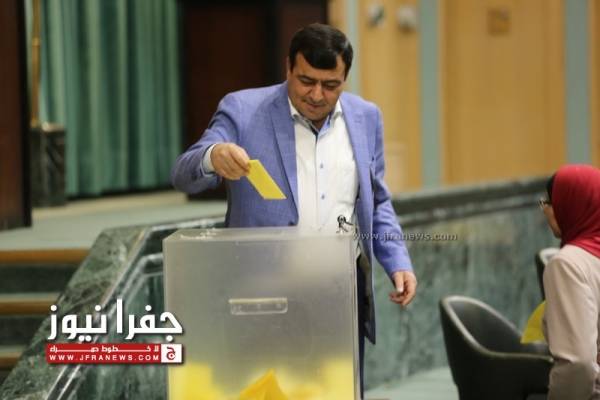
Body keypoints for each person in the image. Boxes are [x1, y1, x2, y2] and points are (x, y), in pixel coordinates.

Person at [171, 23, 417, 396]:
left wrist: (397, 260)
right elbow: (183, 174)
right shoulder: (243, 109)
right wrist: (212, 156)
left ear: (345, 78)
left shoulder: (366, 117)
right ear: (288, 67)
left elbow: (377, 201)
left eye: (330, 85)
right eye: (306, 81)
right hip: (263, 291)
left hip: (338, 291)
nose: (316, 95)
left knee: (337, 391)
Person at [540, 164, 600, 399]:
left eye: (547, 202)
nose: (544, 210)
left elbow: (577, 365)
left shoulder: (567, 265)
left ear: (569, 206)